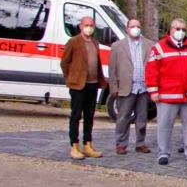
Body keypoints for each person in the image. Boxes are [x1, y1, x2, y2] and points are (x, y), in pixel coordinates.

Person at [146, 18, 187, 165]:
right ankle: (163, 153)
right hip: (167, 95)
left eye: (184, 29)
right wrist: (153, 91)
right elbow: (151, 71)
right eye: (178, 29)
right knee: (164, 125)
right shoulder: (159, 47)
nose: (181, 32)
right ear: (171, 30)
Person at [60, 16, 107, 160]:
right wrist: (71, 79)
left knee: (89, 116)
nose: (89, 27)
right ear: (81, 26)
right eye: (86, 25)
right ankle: (74, 145)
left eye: (91, 25)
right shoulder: (74, 41)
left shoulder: (94, 42)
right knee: (76, 115)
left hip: (93, 85)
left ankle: (88, 144)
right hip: (78, 86)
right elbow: (64, 63)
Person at [109, 19, 155, 155]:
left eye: (138, 26)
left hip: (143, 87)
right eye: (133, 26)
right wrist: (113, 88)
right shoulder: (117, 46)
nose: (136, 29)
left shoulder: (149, 44)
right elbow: (112, 69)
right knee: (123, 117)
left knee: (142, 117)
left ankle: (140, 143)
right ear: (127, 29)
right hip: (126, 87)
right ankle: (121, 144)